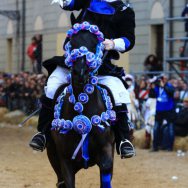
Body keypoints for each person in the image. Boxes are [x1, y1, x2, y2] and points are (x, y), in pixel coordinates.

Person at [30, 0, 136, 158]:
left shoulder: (125, 11)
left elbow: (129, 40)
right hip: (73, 61)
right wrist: (64, 1)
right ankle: (43, 134)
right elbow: (72, 3)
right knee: (52, 87)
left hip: (101, 65)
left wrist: (113, 43)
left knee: (119, 93)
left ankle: (123, 140)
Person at [152, 75, 175, 151]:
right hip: (159, 110)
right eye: (161, 79)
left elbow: (171, 92)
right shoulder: (157, 87)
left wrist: (164, 86)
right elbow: (152, 94)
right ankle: (155, 147)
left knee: (170, 128)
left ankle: (170, 147)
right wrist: (154, 83)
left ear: (166, 79)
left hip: (169, 110)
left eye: (163, 78)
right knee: (156, 128)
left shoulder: (170, 86)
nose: (162, 80)